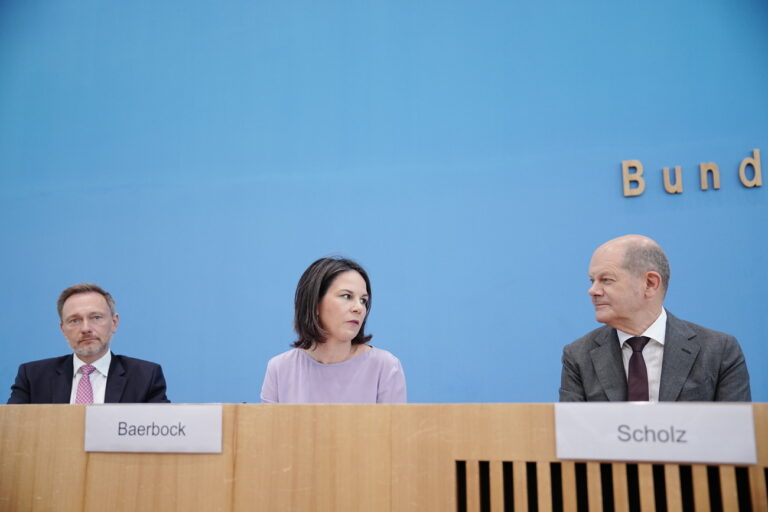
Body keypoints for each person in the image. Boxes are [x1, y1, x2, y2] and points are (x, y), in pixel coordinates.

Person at [560, 235, 751, 402]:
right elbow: (572, 435)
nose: (592, 291)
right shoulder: (578, 356)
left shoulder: (719, 351)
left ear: (650, 284)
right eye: (592, 281)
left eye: (606, 280)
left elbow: (734, 434)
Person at [261, 257, 406, 403]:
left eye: (363, 300)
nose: (359, 308)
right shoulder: (280, 369)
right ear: (315, 303)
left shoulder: (385, 367)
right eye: (346, 296)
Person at [7, 283, 169, 404]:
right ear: (63, 329)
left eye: (96, 317)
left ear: (114, 322)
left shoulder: (145, 377)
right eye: (74, 320)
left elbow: (163, 436)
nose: (85, 328)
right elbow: (11, 430)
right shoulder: (33, 377)